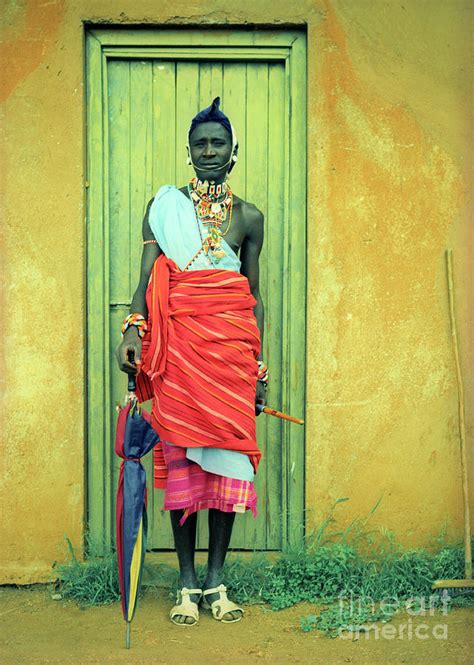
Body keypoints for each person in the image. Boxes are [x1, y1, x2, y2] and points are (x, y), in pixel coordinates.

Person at [115, 97, 267, 625]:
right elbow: (145, 280)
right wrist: (133, 333)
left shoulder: (249, 218)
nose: (209, 151)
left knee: (226, 466)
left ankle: (217, 581)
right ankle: (185, 583)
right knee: (182, 462)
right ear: (189, 151)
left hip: (229, 359)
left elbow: (252, 295)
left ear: (233, 152)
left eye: (218, 143)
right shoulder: (164, 208)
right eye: (200, 143)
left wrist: (257, 368)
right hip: (177, 355)